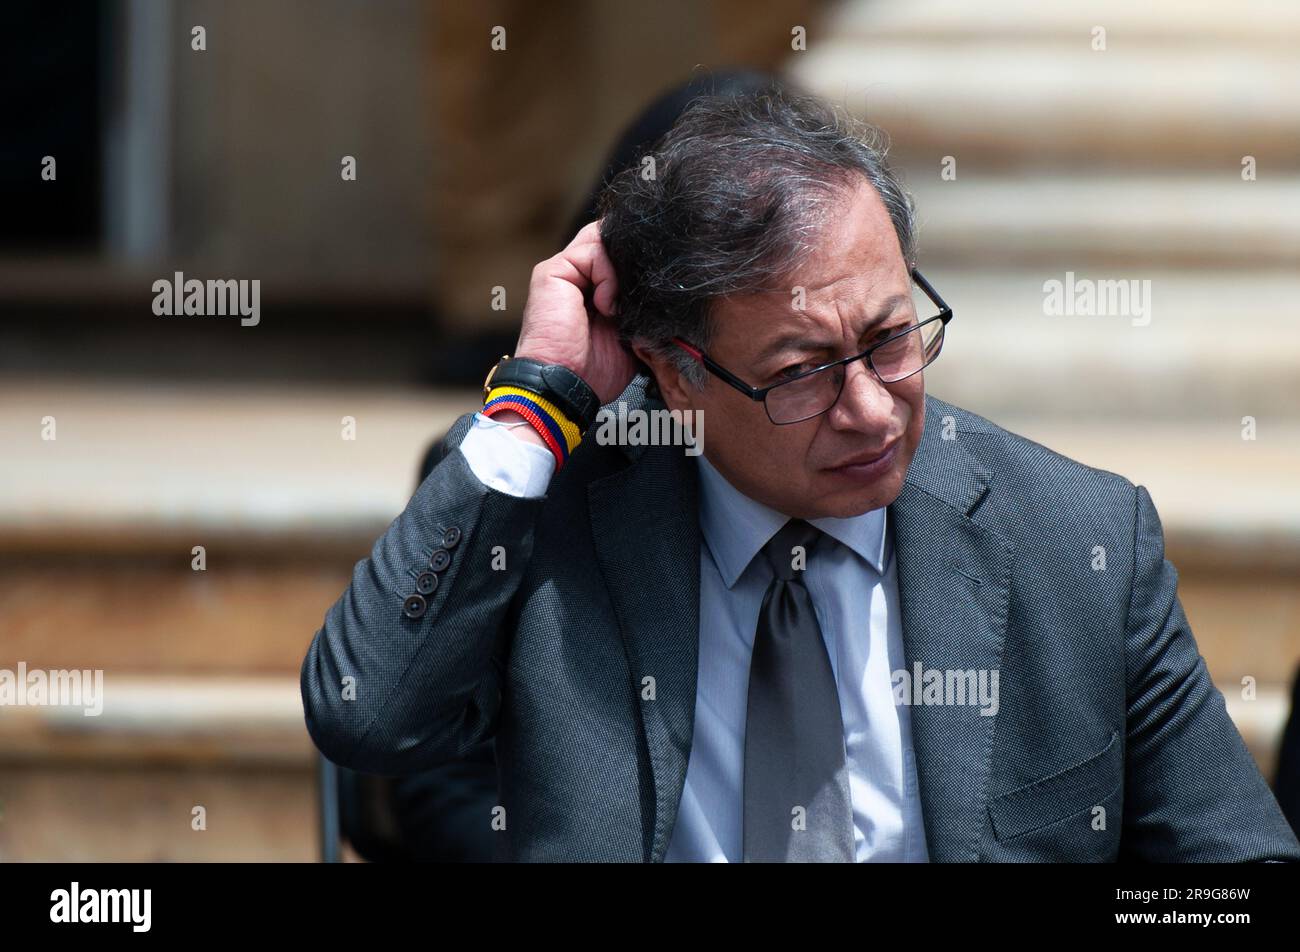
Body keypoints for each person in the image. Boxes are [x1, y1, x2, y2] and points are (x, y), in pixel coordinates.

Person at [301, 88, 1300, 862]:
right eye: (801, 374)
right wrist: (536, 401)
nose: (869, 407)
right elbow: (363, 710)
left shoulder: (1077, 540)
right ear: (675, 373)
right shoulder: (557, 535)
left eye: (891, 339)